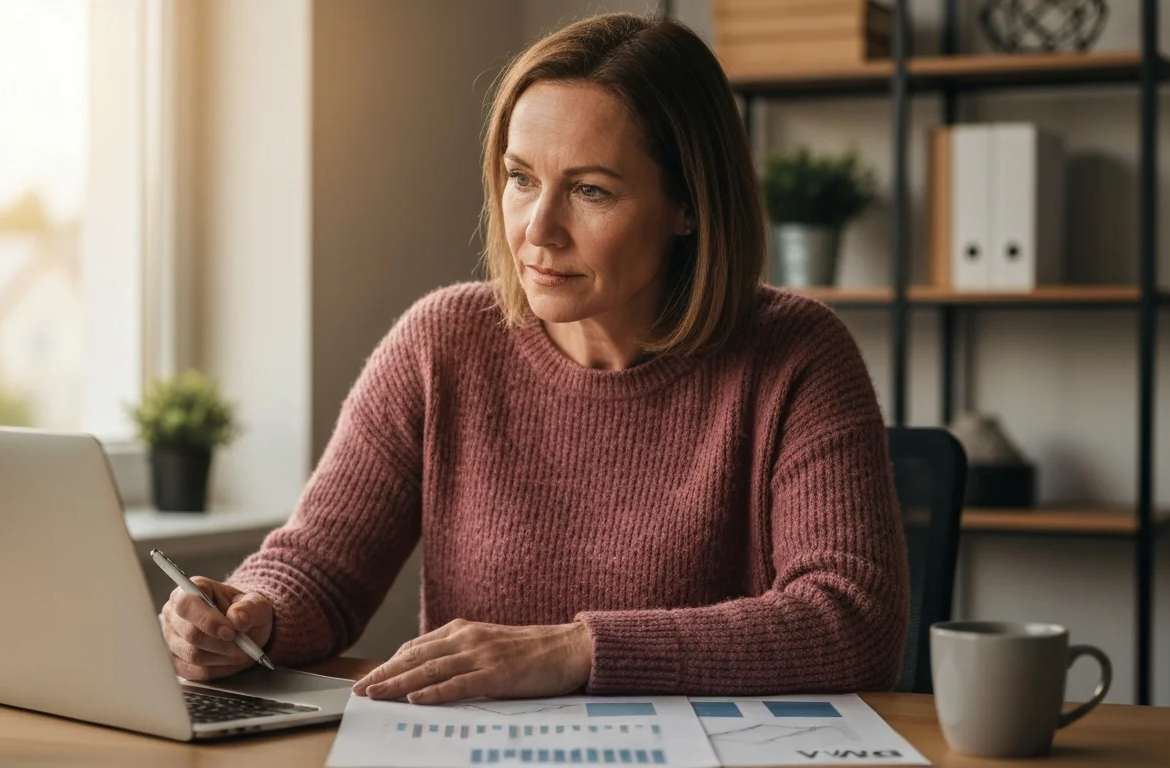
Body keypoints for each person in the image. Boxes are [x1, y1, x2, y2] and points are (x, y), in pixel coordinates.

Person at [160, 12, 909, 704]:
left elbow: (853, 621)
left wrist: (576, 650)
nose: (537, 230)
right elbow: (320, 567)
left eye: (591, 190)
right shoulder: (442, 341)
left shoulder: (797, 354)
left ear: (688, 206)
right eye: (521, 179)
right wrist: (251, 614)